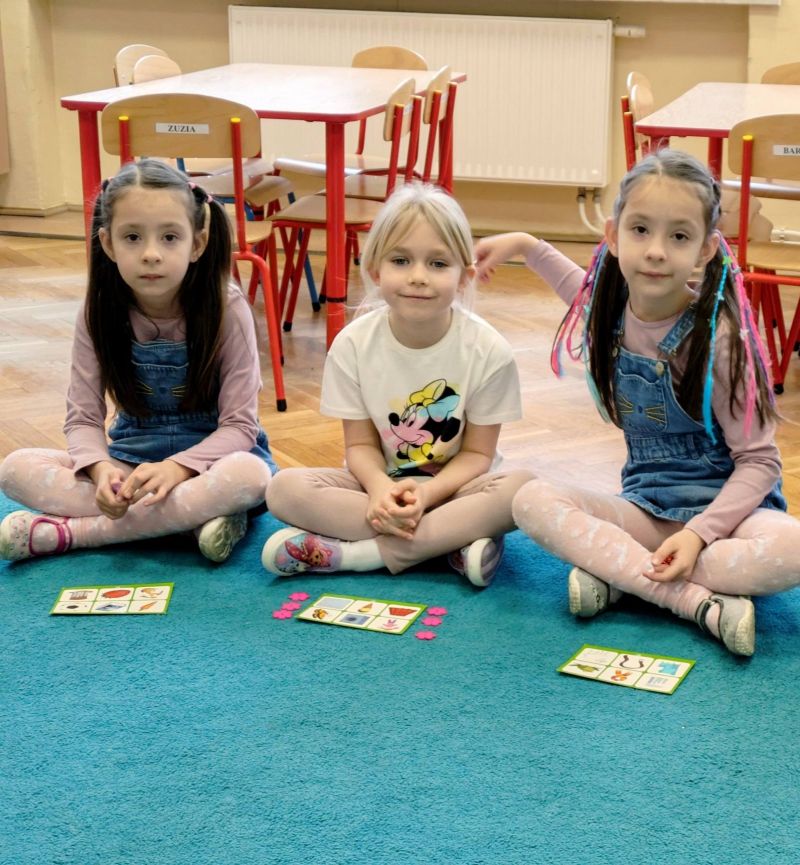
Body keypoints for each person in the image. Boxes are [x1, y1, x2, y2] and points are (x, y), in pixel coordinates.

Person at [475, 149, 800, 655]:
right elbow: (573, 285)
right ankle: (690, 599)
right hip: (647, 509)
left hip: (733, 517)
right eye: (641, 230)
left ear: (706, 249)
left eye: (679, 236)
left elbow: (760, 462)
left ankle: (623, 575)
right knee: (530, 500)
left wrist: (698, 535)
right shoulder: (607, 312)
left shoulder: (721, 339)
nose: (656, 251)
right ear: (613, 235)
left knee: (791, 549)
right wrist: (523, 243)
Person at [0, 159, 276, 563]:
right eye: (132, 237)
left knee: (250, 477)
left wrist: (179, 469)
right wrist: (100, 469)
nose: (150, 254)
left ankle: (74, 534)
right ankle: (187, 520)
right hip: (130, 458)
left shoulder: (227, 308)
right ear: (108, 243)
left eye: (169, 237)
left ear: (197, 244)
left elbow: (240, 426)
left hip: (211, 462)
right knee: (14, 469)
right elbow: (83, 419)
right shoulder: (97, 311)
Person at [261, 183, 533, 586]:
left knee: (523, 492)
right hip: (377, 486)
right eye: (401, 260)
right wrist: (379, 491)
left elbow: (478, 454)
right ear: (375, 270)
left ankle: (356, 555)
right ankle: (450, 542)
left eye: (438, 264)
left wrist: (428, 495)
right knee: (283, 489)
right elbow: (359, 446)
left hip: (458, 489)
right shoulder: (353, 345)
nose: (418, 277)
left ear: (464, 277)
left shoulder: (489, 350)